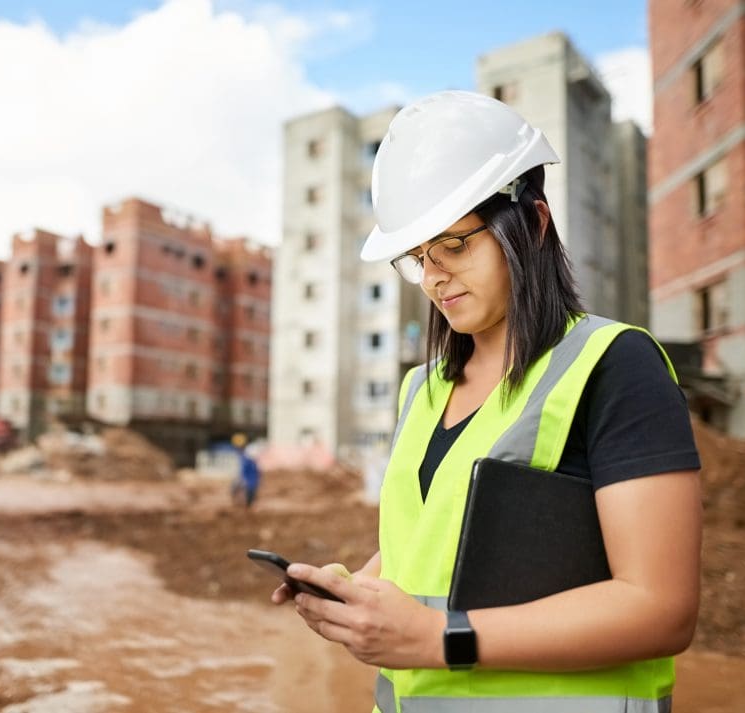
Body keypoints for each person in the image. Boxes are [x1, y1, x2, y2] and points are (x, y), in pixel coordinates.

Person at [269, 91, 702, 713]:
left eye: (456, 244)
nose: (435, 274)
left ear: (533, 221)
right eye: (418, 257)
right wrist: (357, 589)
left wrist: (436, 638)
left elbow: (660, 610)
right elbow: (434, 542)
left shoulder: (613, 366)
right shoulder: (421, 390)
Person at [229, 432, 260, 508]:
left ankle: (244, 506)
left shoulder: (246, 458)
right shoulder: (247, 458)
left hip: (249, 483)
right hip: (251, 483)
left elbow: (244, 472)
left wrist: (242, 481)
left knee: (246, 497)